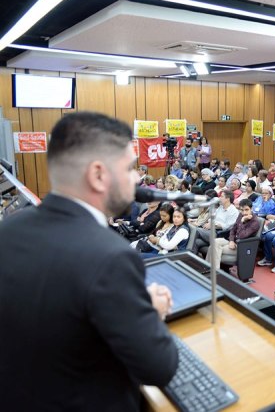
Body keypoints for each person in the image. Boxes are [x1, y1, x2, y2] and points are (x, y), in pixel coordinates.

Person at [0, 112, 177, 409]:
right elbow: (160, 368)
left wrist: (126, 301)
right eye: (129, 168)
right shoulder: (112, 256)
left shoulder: (8, 230)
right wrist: (150, 311)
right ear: (98, 175)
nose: (137, 178)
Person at [208, 199, 261, 271]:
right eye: (242, 210)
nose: (244, 213)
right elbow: (233, 229)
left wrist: (242, 222)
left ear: (251, 209)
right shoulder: (240, 215)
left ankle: (214, 272)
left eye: (246, 210)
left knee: (214, 248)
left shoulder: (255, 222)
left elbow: (242, 236)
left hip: (241, 246)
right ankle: (208, 268)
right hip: (233, 242)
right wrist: (231, 241)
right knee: (214, 242)